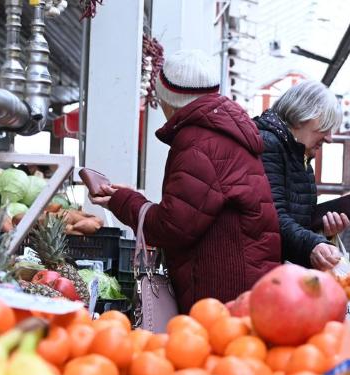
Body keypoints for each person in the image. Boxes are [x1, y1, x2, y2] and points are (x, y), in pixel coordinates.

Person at [90, 49, 281, 313]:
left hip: (220, 295)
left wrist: (122, 201)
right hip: (243, 283)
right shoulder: (222, 131)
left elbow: (173, 226)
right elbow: (191, 210)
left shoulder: (198, 142)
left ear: (167, 99)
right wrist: (131, 199)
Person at [255, 80, 349, 270]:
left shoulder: (300, 155)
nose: (329, 138)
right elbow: (272, 217)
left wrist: (324, 233)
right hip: (266, 272)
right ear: (302, 116)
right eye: (325, 126)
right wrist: (313, 244)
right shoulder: (269, 144)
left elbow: (296, 221)